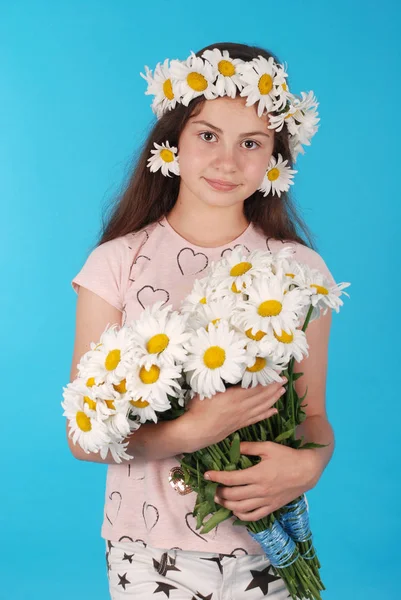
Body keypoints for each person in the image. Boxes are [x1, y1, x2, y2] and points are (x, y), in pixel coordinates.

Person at [67, 42, 337, 599]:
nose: (226, 162)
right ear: (173, 140)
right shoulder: (116, 264)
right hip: (147, 553)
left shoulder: (299, 273)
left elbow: (313, 417)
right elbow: (83, 433)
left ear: (275, 159)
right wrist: (190, 432)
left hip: (269, 545)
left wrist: (309, 467)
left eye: (252, 144)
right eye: (207, 135)